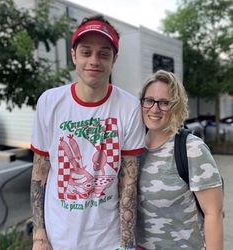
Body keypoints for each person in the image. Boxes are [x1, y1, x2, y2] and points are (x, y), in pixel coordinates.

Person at [30, 14, 145, 250]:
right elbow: (40, 172)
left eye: (104, 53)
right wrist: (39, 235)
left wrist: (127, 243)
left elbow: (128, 181)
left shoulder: (128, 106)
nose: (94, 60)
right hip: (58, 237)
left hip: (108, 240)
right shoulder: (50, 102)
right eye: (86, 52)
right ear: (74, 55)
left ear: (114, 59)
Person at [136, 70, 223, 250]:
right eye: (149, 100)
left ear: (176, 106)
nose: (154, 108)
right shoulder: (132, 145)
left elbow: (213, 214)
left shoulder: (192, 149)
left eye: (164, 103)